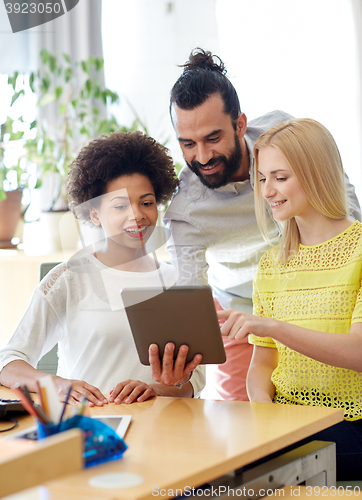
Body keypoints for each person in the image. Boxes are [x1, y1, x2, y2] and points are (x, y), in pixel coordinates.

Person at [163, 48, 361, 401]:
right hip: (246, 310)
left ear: (240, 124)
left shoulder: (281, 134)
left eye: (212, 138)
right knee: (246, 423)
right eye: (188, 144)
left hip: (328, 288)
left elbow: (339, 200)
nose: (202, 157)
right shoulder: (186, 211)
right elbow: (190, 299)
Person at [0, 131, 205, 405]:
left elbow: (196, 380)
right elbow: (8, 362)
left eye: (146, 202)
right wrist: (58, 384)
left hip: (161, 430)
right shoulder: (68, 279)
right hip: (87, 427)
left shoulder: (177, 280)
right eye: (120, 205)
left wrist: (157, 388)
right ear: (95, 213)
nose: (137, 214)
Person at [217, 118, 362, 480]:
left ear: (317, 174)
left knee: (229, 471)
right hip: (287, 419)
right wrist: (263, 413)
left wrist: (273, 327)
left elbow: (358, 354)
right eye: (262, 178)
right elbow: (263, 365)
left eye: (280, 178)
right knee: (207, 458)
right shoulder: (270, 266)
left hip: (350, 424)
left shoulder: (359, 250)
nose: (267, 191)